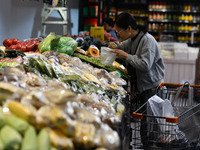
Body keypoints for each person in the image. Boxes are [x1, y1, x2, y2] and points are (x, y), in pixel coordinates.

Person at [109, 12, 165, 149]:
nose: (117, 34)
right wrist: (115, 46)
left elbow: (145, 65)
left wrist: (126, 56)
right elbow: (124, 46)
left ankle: (151, 147)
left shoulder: (147, 41)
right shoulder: (133, 39)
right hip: (143, 87)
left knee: (151, 127)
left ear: (129, 29)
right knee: (145, 125)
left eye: (118, 31)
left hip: (152, 88)